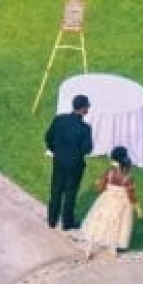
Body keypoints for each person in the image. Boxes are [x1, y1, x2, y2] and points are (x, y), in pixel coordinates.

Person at [44, 94, 95, 232]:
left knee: (56, 190)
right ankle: (67, 222)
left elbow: (48, 137)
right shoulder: (85, 128)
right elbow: (88, 149)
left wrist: (55, 150)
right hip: (74, 165)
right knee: (70, 193)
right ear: (83, 108)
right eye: (87, 106)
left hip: (59, 161)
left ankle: (52, 219)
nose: (88, 109)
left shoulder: (59, 119)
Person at [77, 146, 137, 259]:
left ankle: (89, 249)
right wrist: (136, 206)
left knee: (98, 223)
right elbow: (131, 195)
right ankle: (112, 250)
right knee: (117, 225)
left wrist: (101, 184)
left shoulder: (109, 173)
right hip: (121, 204)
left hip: (107, 200)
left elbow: (100, 188)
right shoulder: (128, 178)